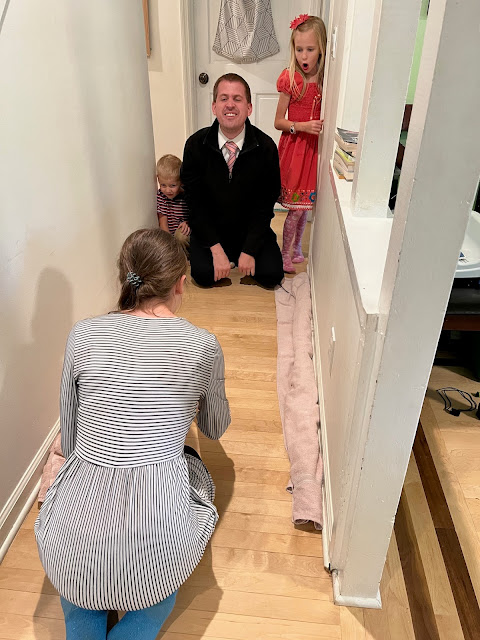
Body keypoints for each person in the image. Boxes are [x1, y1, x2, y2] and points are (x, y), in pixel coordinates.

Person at [35, 229, 230, 639]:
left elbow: (71, 437)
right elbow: (214, 428)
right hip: (157, 542)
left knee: (78, 591)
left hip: (72, 538)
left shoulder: (82, 334)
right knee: (193, 472)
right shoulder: (202, 345)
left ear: (124, 277)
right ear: (180, 283)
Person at [181, 73, 284, 288]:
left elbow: (265, 206)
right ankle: (222, 255)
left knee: (271, 275)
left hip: (249, 231)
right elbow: (195, 204)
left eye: (237, 99)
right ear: (214, 106)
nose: (230, 105)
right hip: (211, 232)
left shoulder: (266, 148)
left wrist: (250, 250)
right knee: (203, 275)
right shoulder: (195, 145)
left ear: (249, 108)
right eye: (223, 98)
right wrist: (215, 249)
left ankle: (240, 256)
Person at [274, 14, 327, 273]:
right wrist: (303, 126)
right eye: (299, 49)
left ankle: (296, 248)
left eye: (310, 49)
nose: (304, 56)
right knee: (295, 209)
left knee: (305, 206)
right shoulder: (291, 78)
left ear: (322, 49)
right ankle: (284, 253)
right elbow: (278, 121)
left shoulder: (325, 79)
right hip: (295, 150)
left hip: (312, 152)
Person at [156, 154, 191, 250]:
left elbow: (195, 215)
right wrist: (170, 243)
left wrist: (188, 223)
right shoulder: (161, 196)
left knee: (181, 236)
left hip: (185, 233)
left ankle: (185, 256)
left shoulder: (186, 195)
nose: (168, 190)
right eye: (163, 185)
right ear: (158, 179)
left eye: (173, 185)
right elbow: (163, 223)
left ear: (181, 182)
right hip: (171, 236)